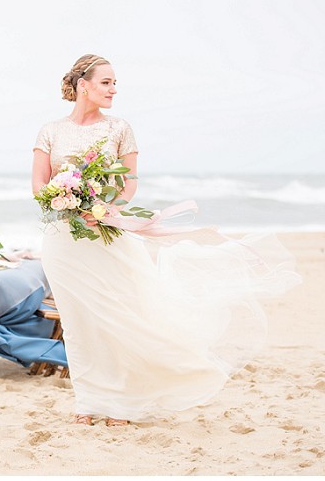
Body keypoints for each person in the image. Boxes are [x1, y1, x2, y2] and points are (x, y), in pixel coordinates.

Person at [32, 54, 299, 427]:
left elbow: (130, 184)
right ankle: (88, 399)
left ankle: (123, 401)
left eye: (114, 83)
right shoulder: (50, 130)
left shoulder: (120, 128)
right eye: (106, 82)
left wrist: (104, 209)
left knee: (118, 316)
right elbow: (39, 187)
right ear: (83, 85)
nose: (113, 89)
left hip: (107, 233)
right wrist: (69, 200)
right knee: (79, 322)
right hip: (63, 240)